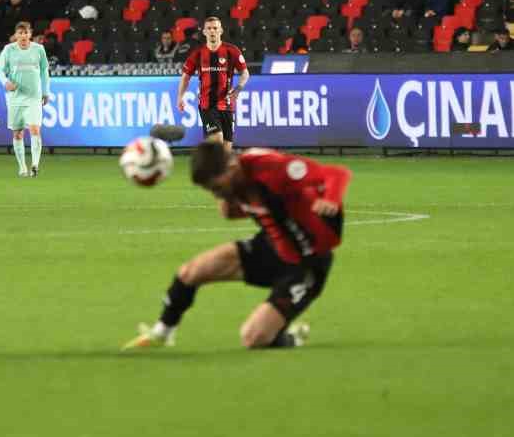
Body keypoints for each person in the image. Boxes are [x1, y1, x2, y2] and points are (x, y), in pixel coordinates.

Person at [121, 137, 349, 351]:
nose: (215, 194)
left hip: (307, 263)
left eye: (215, 187)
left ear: (231, 167)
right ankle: (162, 333)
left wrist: (331, 199)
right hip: (272, 247)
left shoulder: (270, 168)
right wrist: (226, 197)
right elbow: (231, 213)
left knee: (253, 338)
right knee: (191, 271)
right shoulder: (231, 184)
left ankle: (291, 336)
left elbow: (336, 173)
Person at [175, 16, 249, 143]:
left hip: (227, 106)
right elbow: (185, 77)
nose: (212, 31)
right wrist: (180, 97)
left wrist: (238, 88)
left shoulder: (232, 51)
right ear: (204, 32)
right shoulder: (197, 53)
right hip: (207, 105)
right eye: (209, 28)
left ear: (221, 30)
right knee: (217, 140)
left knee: (226, 148)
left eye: (215, 28)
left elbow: (245, 73)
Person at [0, 21, 51, 178]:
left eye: (26, 32)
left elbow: (44, 71)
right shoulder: (9, 50)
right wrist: (5, 82)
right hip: (16, 98)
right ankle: (22, 167)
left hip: (34, 96)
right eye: (20, 33)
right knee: (18, 133)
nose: (23, 36)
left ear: (30, 34)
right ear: (16, 35)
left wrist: (46, 91)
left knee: (35, 129)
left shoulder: (39, 49)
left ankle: (35, 165)